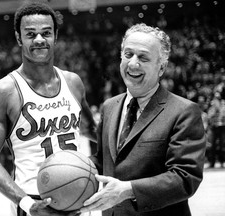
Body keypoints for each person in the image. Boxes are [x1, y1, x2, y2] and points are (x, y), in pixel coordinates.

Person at [0, 2, 96, 216]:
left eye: (46, 33)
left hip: (77, 198)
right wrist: (24, 202)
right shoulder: (3, 91)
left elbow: (93, 131)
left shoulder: (73, 82)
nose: (40, 39)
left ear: (55, 35)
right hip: (33, 202)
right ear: (18, 38)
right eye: (31, 34)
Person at [80, 23, 206, 216]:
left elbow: (185, 177)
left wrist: (128, 190)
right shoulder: (109, 106)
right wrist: (69, 166)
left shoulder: (184, 111)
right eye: (128, 54)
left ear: (161, 67)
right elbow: (103, 161)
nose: (133, 64)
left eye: (143, 57)